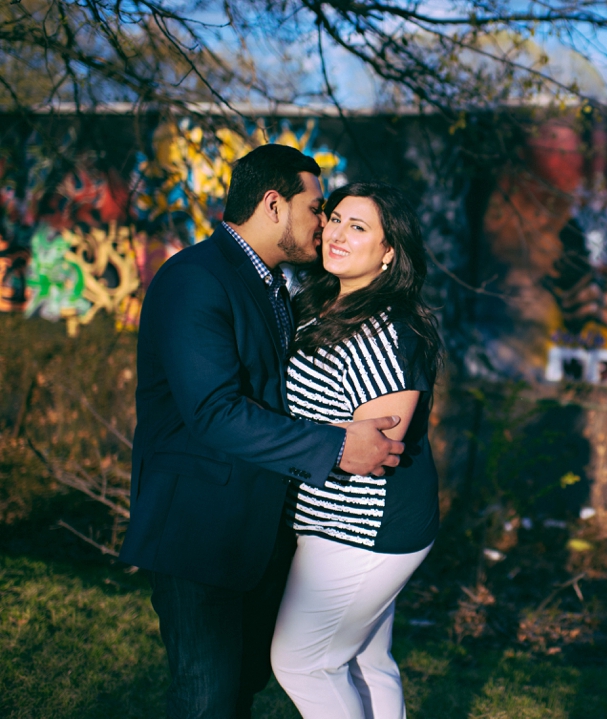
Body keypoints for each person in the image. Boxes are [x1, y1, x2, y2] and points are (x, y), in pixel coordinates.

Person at [119, 145, 407, 719]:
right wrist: (337, 446)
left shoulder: (275, 283)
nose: (323, 224)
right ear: (274, 204)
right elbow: (215, 412)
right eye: (316, 207)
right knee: (205, 698)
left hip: (256, 528)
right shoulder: (196, 279)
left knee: (239, 689)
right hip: (198, 531)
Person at [269, 181, 441, 719]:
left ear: (390, 252)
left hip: (364, 524)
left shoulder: (390, 330)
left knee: (303, 662)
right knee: (366, 659)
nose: (336, 234)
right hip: (338, 517)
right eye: (335, 218)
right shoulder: (319, 300)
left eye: (358, 227)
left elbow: (373, 449)